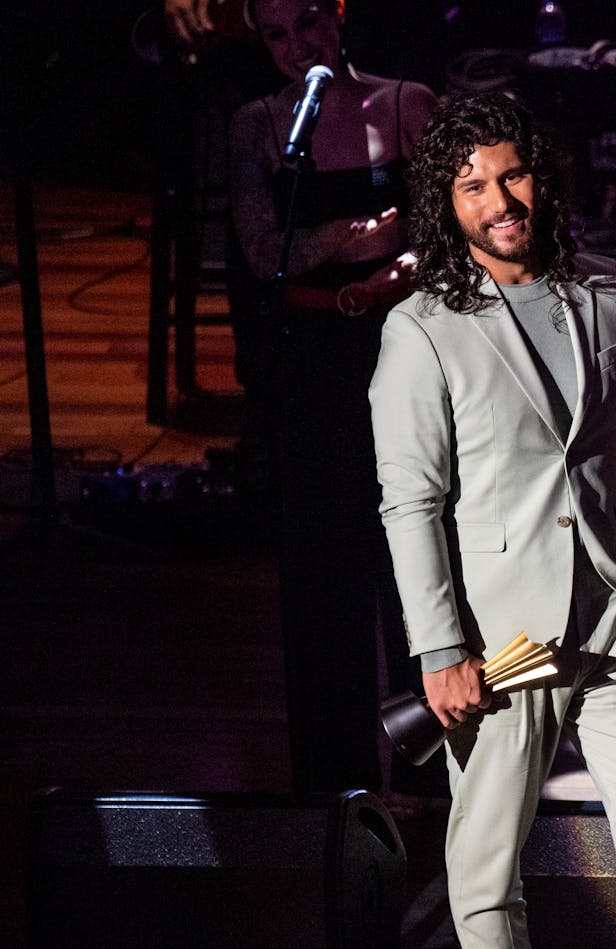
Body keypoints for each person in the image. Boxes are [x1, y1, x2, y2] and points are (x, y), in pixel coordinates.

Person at [369, 92, 616, 948]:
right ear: (447, 204)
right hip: (502, 638)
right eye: (473, 184)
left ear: (540, 176)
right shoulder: (422, 328)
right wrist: (440, 648)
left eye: (511, 173)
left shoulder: (609, 291)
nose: (499, 199)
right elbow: (410, 500)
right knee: (486, 873)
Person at [227, 0, 438, 795]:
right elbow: (259, 250)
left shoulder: (404, 103)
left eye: (308, 22)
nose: (294, 47)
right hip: (311, 364)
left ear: (342, 14)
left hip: (404, 354)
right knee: (323, 575)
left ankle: (436, 781)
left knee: (416, 568)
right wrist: (358, 239)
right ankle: (334, 787)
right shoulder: (257, 126)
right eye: (274, 34)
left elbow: (451, 232)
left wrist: (389, 268)